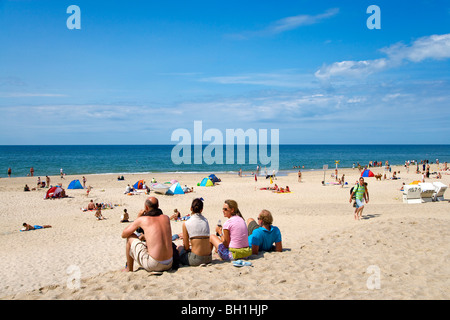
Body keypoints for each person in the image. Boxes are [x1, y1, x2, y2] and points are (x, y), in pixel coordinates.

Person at [121, 197, 173, 272]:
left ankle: (129, 268)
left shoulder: (143, 219)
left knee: (130, 237)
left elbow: (124, 234)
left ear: (146, 207)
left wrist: (138, 217)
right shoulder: (166, 218)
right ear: (158, 206)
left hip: (154, 264)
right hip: (169, 263)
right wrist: (145, 236)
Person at [178, 198, 212, 266]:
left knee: (179, 248)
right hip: (209, 257)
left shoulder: (186, 223)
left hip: (196, 259)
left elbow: (186, 247)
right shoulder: (205, 221)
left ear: (191, 208)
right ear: (201, 209)